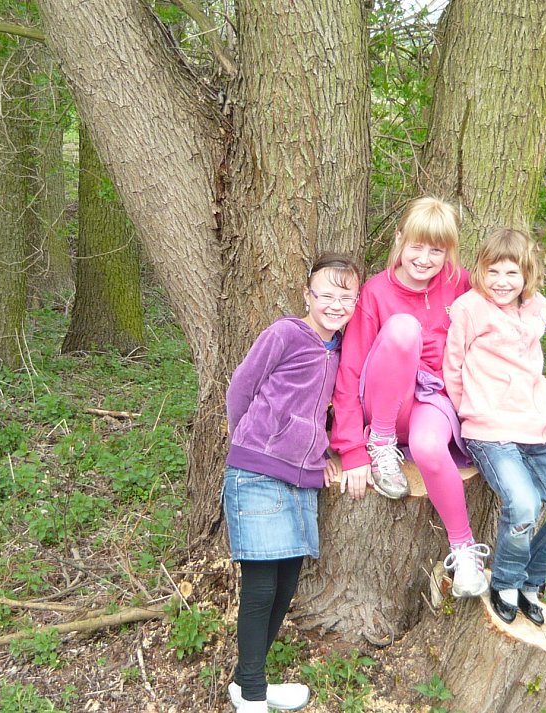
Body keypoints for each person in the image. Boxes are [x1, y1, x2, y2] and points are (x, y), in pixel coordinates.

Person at [222, 253, 363, 713]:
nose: (335, 305)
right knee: (261, 586)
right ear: (307, 295)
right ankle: (252, 695)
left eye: (346, 297)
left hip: (302, 479)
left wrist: (322, 453)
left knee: (285, 585)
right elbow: (241, 387)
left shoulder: (341, 350)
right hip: (257, 471)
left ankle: (248, 682)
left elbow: (328, 409)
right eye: (326, 294)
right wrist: (253, 440)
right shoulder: (285, 333)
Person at [330, 196, 489, 598]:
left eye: (436, 250)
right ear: (399, 238)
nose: (424, 258)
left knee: (429, 447)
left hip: (432, 399)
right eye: (417, 246)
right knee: (403, 329)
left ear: (448, 252)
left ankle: (464, 551)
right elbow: (349, 372)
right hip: (385, 402)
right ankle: (381, 444)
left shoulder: (460, 283)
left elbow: (500, 326)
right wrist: (352, 449)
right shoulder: (375, 291)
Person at [443, 227, 546, 627]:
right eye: (493, 271)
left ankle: (530, 582)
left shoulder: (537, 309)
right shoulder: (469, 308)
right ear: (480, 270)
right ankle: (505, 582)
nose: (501, 282)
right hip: (490, 431)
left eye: (512, 273)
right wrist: (471, 412)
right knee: (523, 505)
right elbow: (453, 367)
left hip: (537, 429)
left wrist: (545, 416)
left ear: (527, 275)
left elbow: (531, 370)